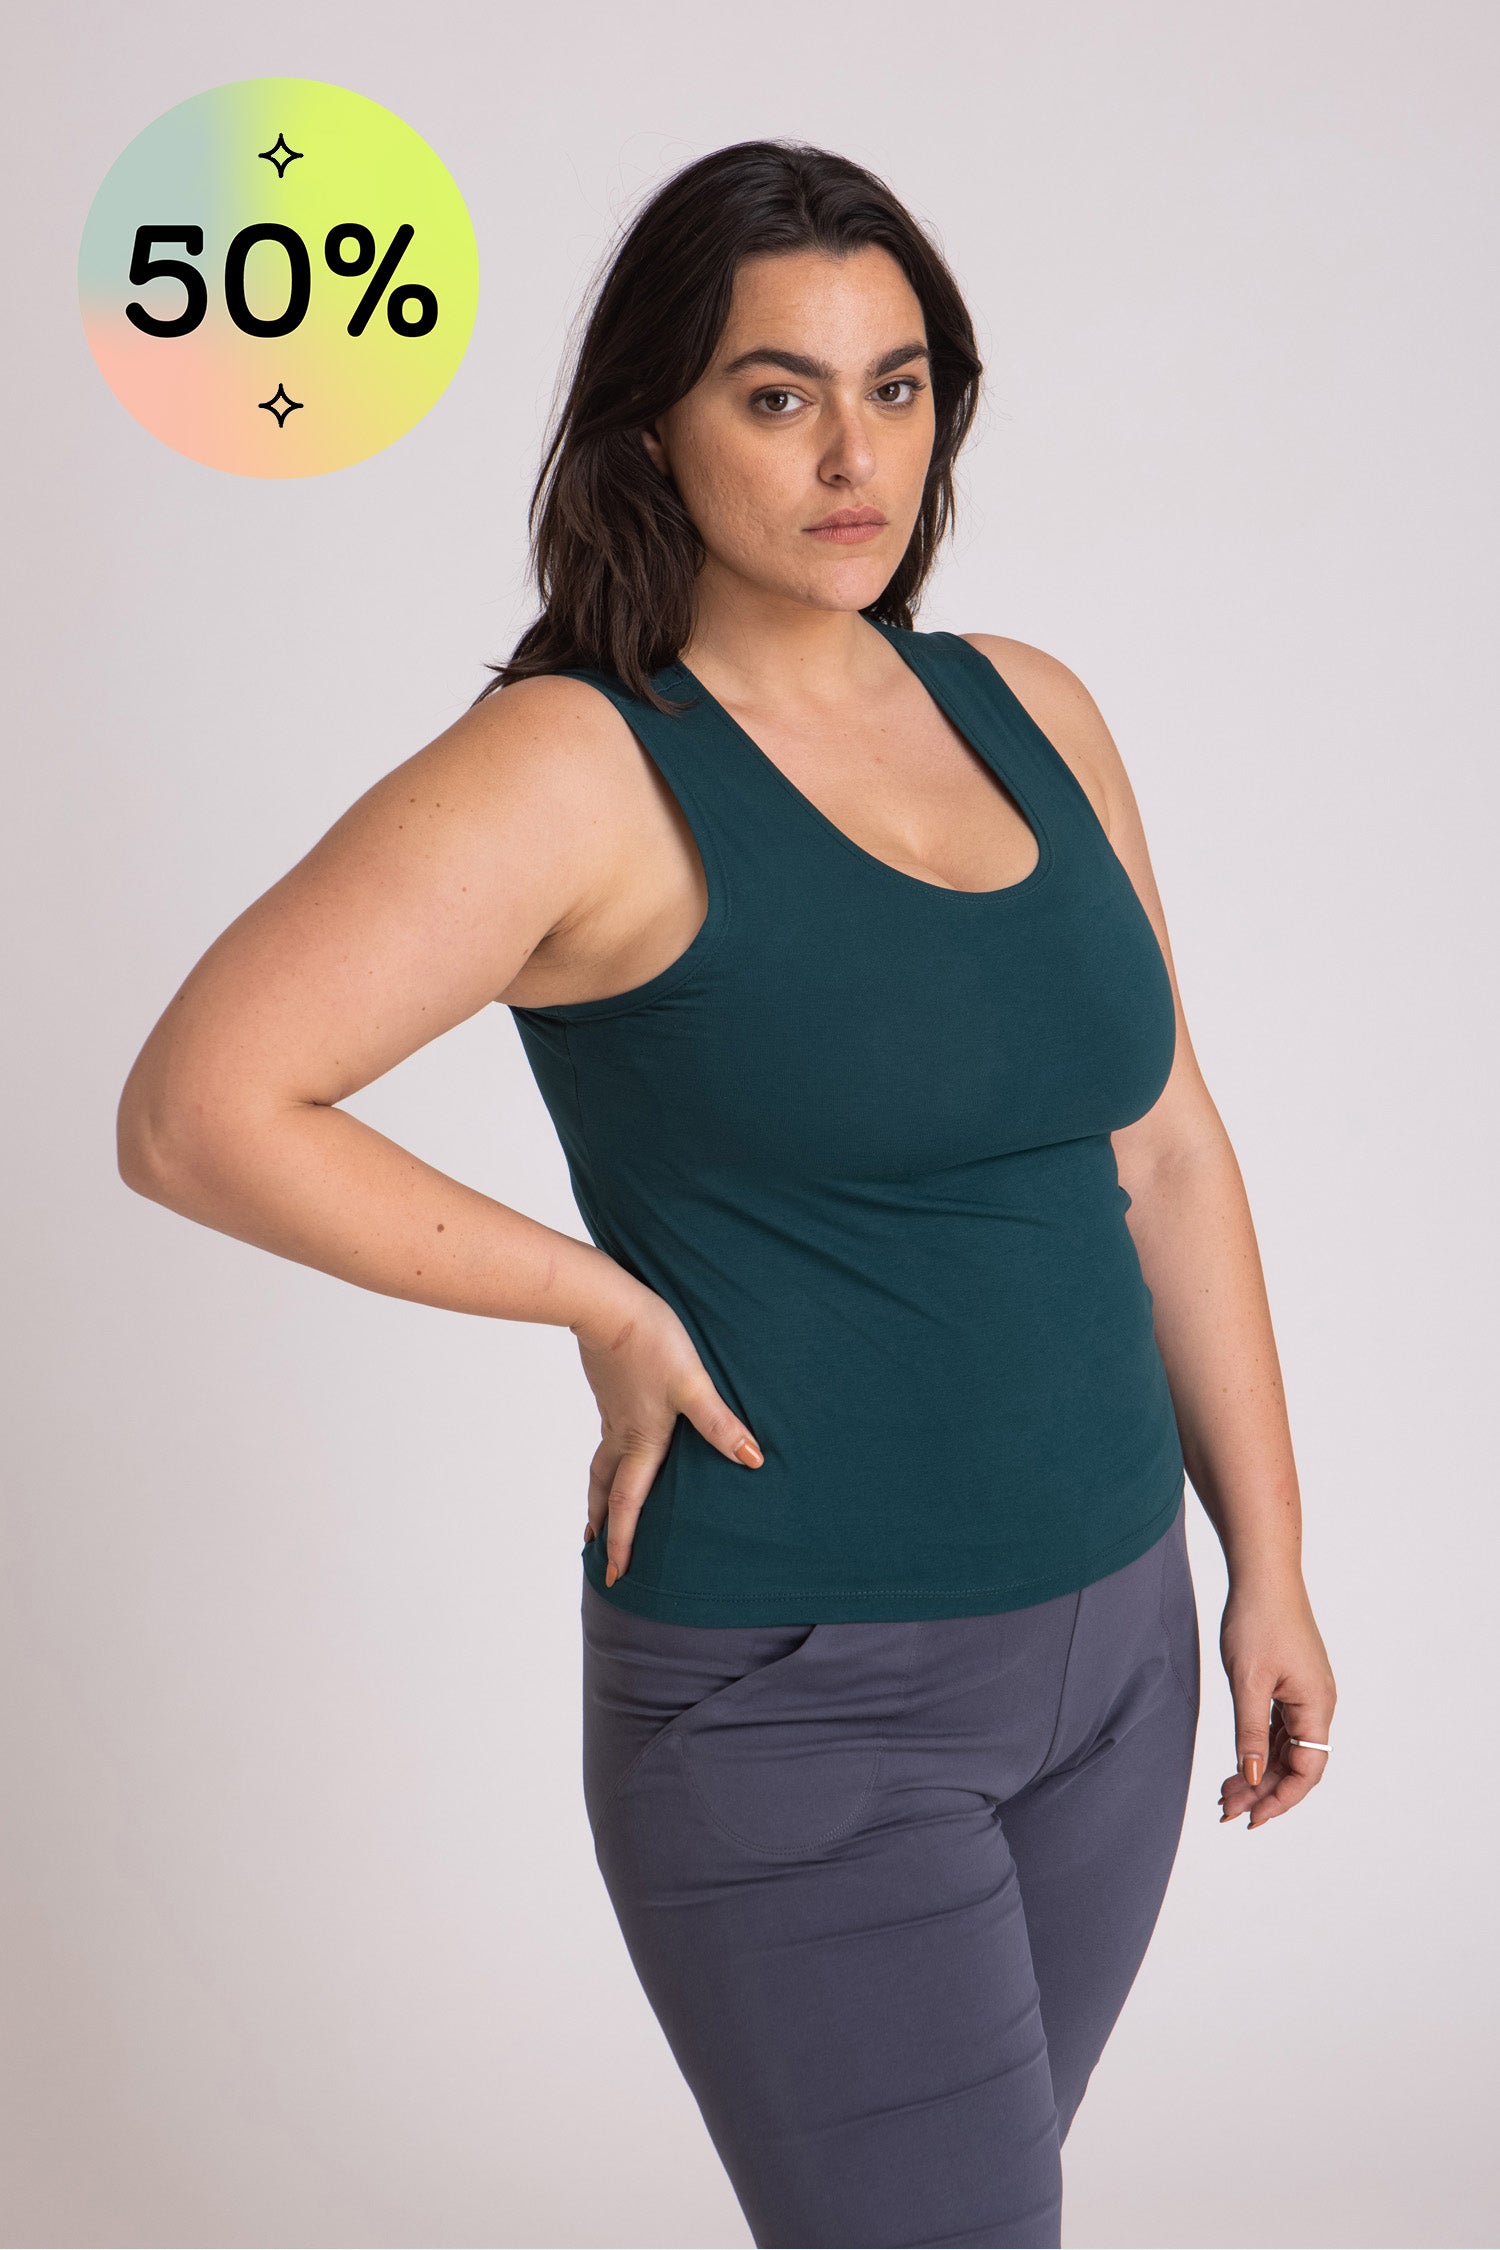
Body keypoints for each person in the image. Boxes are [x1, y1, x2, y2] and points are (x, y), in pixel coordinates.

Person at [117, 139, 1337, 2250]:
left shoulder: (1029, 709)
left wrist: (1271, 1562)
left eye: (897, 386)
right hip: (805, 1697)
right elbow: (198, 1108)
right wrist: (593, 1298)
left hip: (1120, 1653)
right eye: (779, 395)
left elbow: (1163, 1147)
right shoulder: (577, 767)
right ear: (652, 429)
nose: (855, 456)